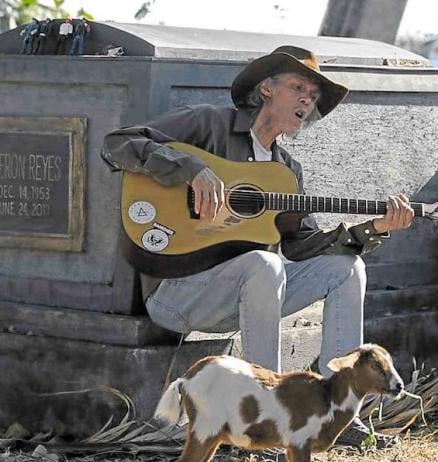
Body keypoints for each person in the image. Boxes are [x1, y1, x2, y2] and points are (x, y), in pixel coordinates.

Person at [100, 46, 414, 448]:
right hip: (177, 294)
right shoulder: (209, 124)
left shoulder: (287, 173)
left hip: (245, 297)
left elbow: (304, 248)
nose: (307, 99)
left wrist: (372, 228)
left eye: (313, 96)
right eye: (298, 87)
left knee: (347, 268)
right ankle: (267, 420)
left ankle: (340, 413)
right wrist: (193, 169)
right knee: (265, 263)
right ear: (266, 88)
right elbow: (117, 142)